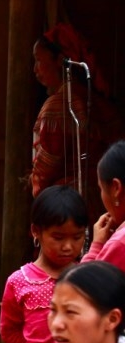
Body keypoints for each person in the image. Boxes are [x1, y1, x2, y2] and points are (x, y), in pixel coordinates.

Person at [1, 185, 87, 343]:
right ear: (36, 232)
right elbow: (9, 329)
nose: (68, 246)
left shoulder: (88, 277)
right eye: (58, 238)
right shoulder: (19, 282)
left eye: (77, 237)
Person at [29, 24, 119, 212]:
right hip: (105, 203)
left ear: (61, 61)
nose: (35, 70)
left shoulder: (58, 105)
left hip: (68, 206)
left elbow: (44, 172)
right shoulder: (100, 103)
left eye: (38, 61)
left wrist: (33, 181)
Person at [82, 141, 125, 269]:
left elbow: (79, 287)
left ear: (116, 188)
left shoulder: (120, 243)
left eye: (100, 188)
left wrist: (96, 246)